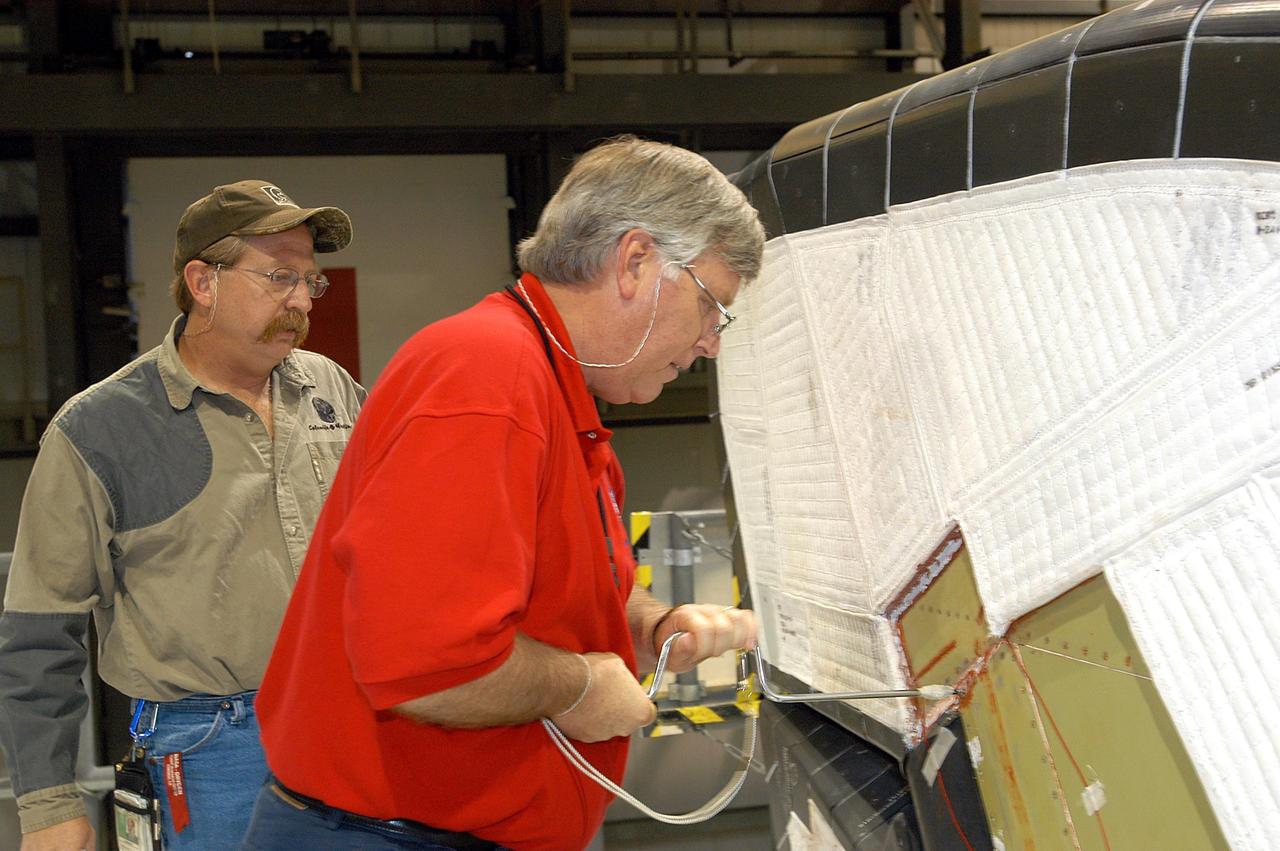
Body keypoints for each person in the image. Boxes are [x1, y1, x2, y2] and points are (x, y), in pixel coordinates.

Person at [242, 137, 766, 850]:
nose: (711, 342)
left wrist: (647, 623)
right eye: (713, 306)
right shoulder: (487, 378)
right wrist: (577, 686)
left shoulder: (552, 392)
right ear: (636, 261)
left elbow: (538, 593)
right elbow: (427, 668)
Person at [0, 180, 367, 850]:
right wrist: (49, 803)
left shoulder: (332, 389)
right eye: (280, 276)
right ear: (203, 282)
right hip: (206, 752)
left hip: (350, 728)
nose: (300, 299)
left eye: (309, 280)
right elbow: (37, 634)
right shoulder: (101, 428)